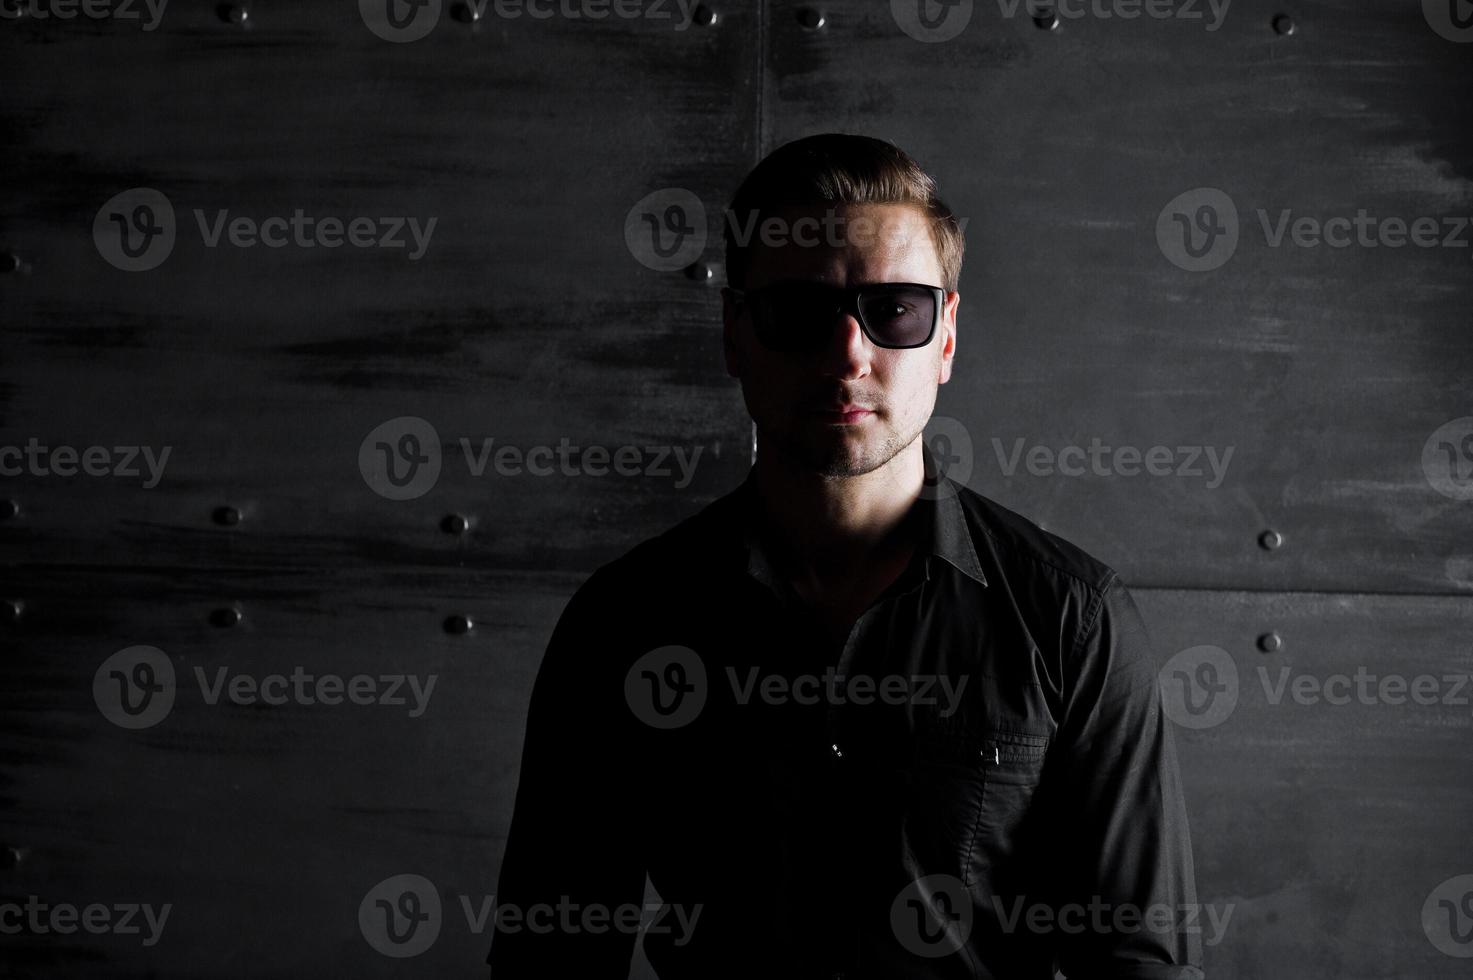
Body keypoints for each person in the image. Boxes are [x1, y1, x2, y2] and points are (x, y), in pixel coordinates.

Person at [487, 133, 1204, 979]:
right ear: (734, 335)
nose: (848, 354)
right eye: (799, 312)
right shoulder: (624, 622)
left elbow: (1138, 962)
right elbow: (550, 956)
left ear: (943, 340)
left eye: (894, 309)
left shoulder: (1073, 621)